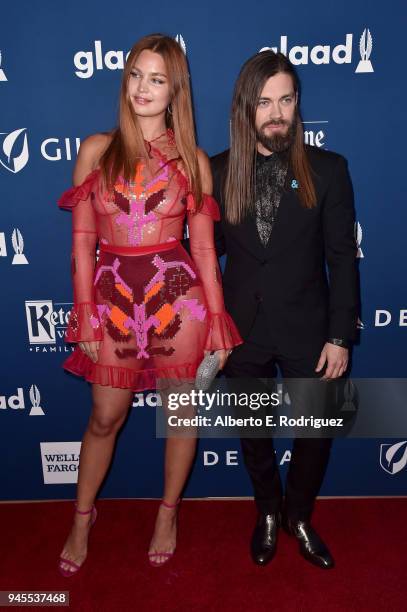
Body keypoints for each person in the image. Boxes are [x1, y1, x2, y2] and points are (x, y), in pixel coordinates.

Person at [57, 33, 242, 577]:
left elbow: (205, 250)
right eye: (136, 74)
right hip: (110, 303)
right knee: (103, 416)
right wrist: (86, 311)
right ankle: (81, 518)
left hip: (178, 302)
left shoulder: (192, 159)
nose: (142, 87)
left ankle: (167, 514)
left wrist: (216, 322)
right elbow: (82, 244)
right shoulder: (96, 149)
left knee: (180, 417)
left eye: (157, 78)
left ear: (175, 90)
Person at [211, 50, 359, 569]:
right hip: (242, 331)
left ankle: (299, 515)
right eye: (264, 101)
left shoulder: (329, 170)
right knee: (253, 435)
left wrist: (340, 335)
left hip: (310, 330)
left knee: (316, 434)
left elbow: (342, 259)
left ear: (297, 104)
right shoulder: (217, 171)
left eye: (286, 99)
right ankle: (268, 512)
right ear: (244, 108)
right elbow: (203, 259)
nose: (276, 112)